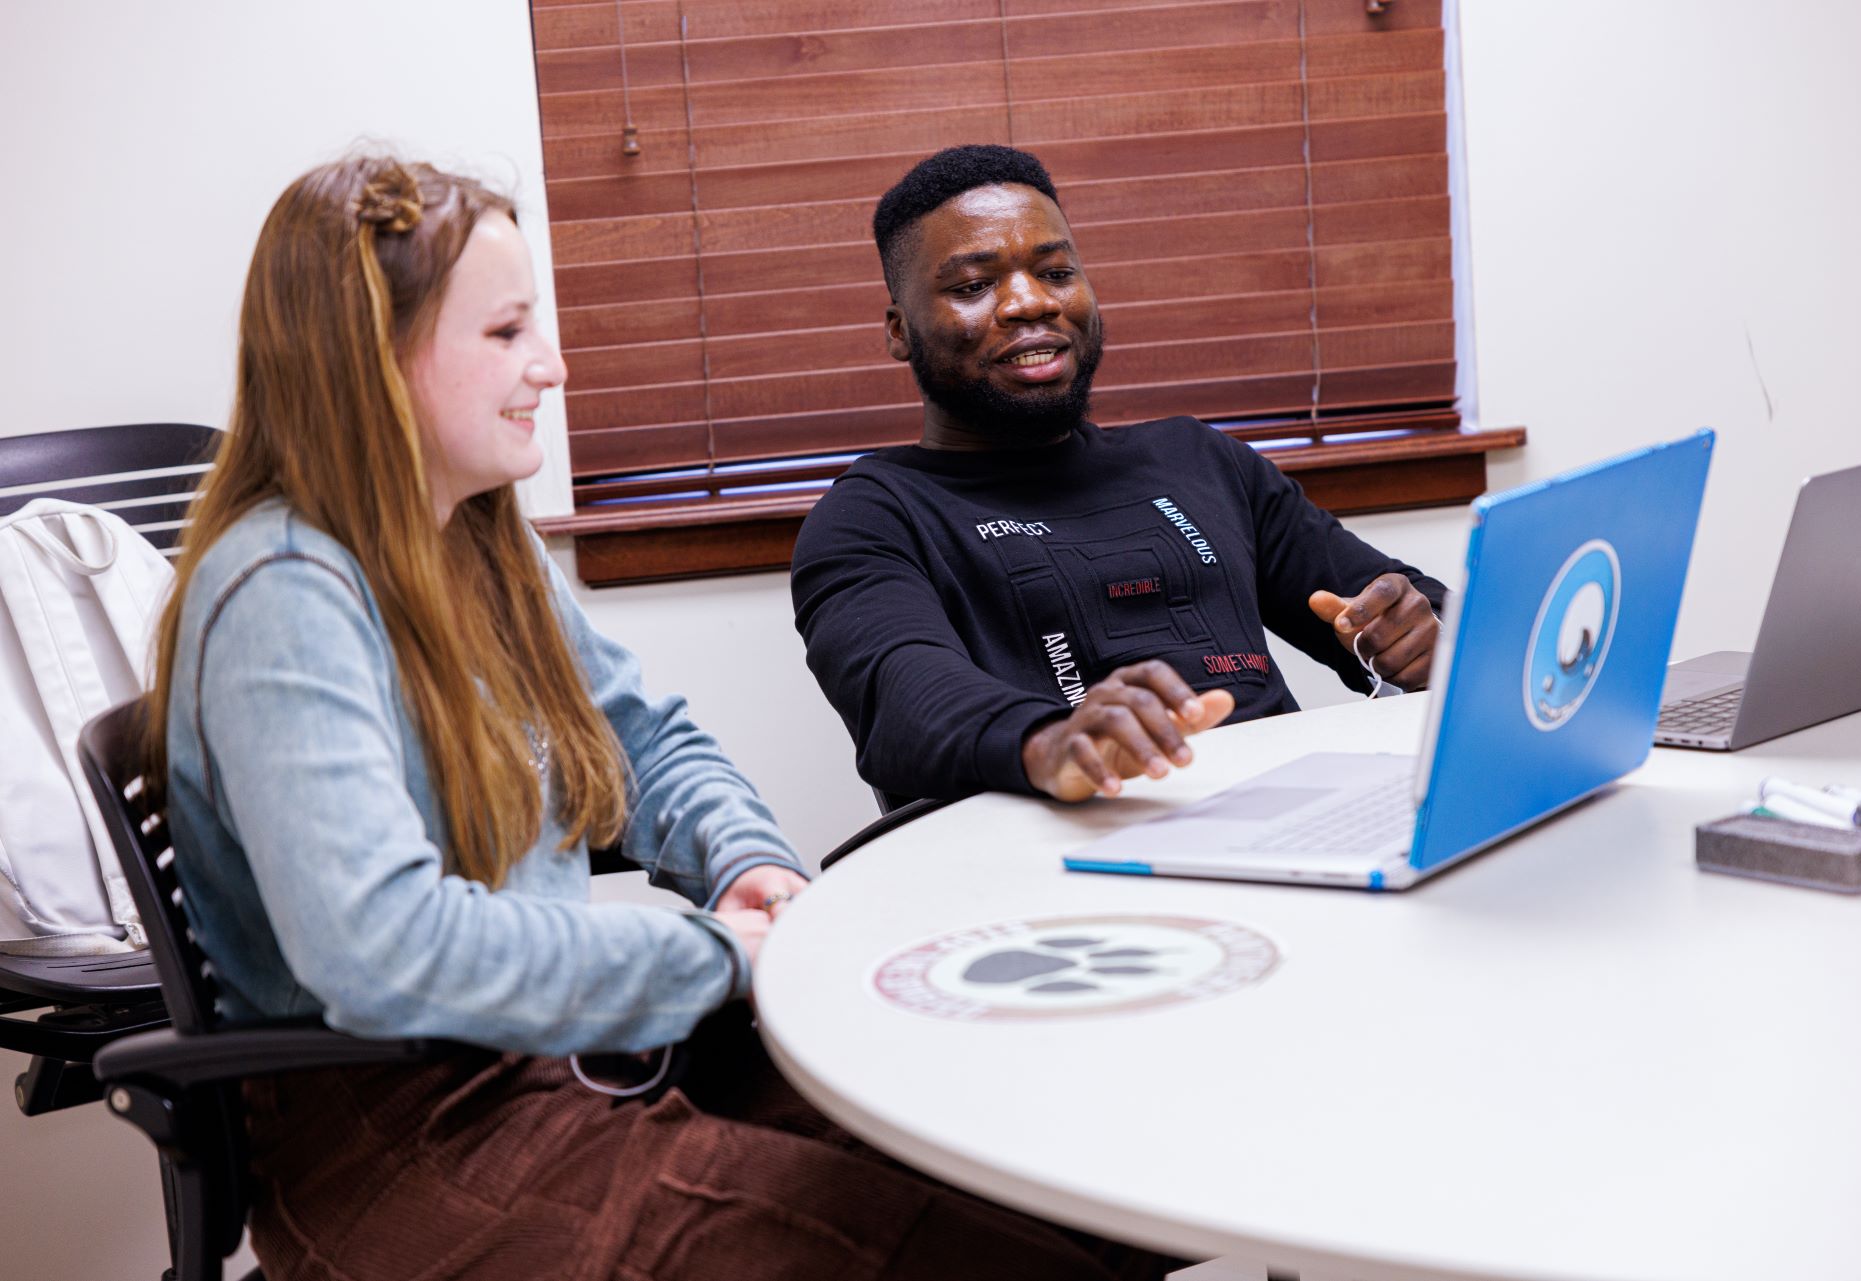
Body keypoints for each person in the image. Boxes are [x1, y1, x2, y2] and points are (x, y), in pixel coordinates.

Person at [145, 153, 1180, 1280]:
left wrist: (742, 864)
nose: (552, 364)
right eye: (503, 335)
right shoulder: (284, 594)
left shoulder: (475, 539)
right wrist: (711, 953)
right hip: (409, 1138)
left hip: (578, 1048)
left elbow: (646, 742)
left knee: (1041, 1153)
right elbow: (385, 951)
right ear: (371, 362)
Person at [791, 145, 1450, 806]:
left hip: (1295, 820)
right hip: (1067, 860)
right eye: (973, 285)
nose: (1028, 303)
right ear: (900, 331)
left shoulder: (1198, 459)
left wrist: (1423, 637)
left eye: (1054, 271)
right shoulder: (873, 517)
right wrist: (1052, 742)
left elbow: (1396, 607)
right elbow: (905, 703)